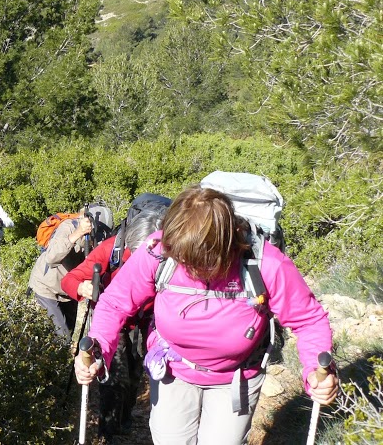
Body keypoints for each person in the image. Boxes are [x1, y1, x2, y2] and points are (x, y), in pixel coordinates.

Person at [74, 185, 338, 445]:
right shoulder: (159, 251)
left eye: (197, 260)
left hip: (236, 375)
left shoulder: (266, 263)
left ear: (224, 246)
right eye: (181, 256)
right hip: (173, 368)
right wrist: (99, 349)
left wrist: (315, 369)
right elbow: (115, 303)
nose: (186, 266)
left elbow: (308, 321)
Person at [62, 206, 167, 439]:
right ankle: (108, 433)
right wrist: (82, 287)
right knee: (112, 378)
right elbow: (70, 279)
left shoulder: (169, 256)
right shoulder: (110, 249)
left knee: (135, 375)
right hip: (113, 324)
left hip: (146, 323)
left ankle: (125, 419)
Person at [27, 203, 113, 342]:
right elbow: (51, 258)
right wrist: (78, 233)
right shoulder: (68, 227)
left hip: (67, 291)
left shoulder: (99, 237)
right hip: (46, 288)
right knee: (61, 337)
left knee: (71, 331)